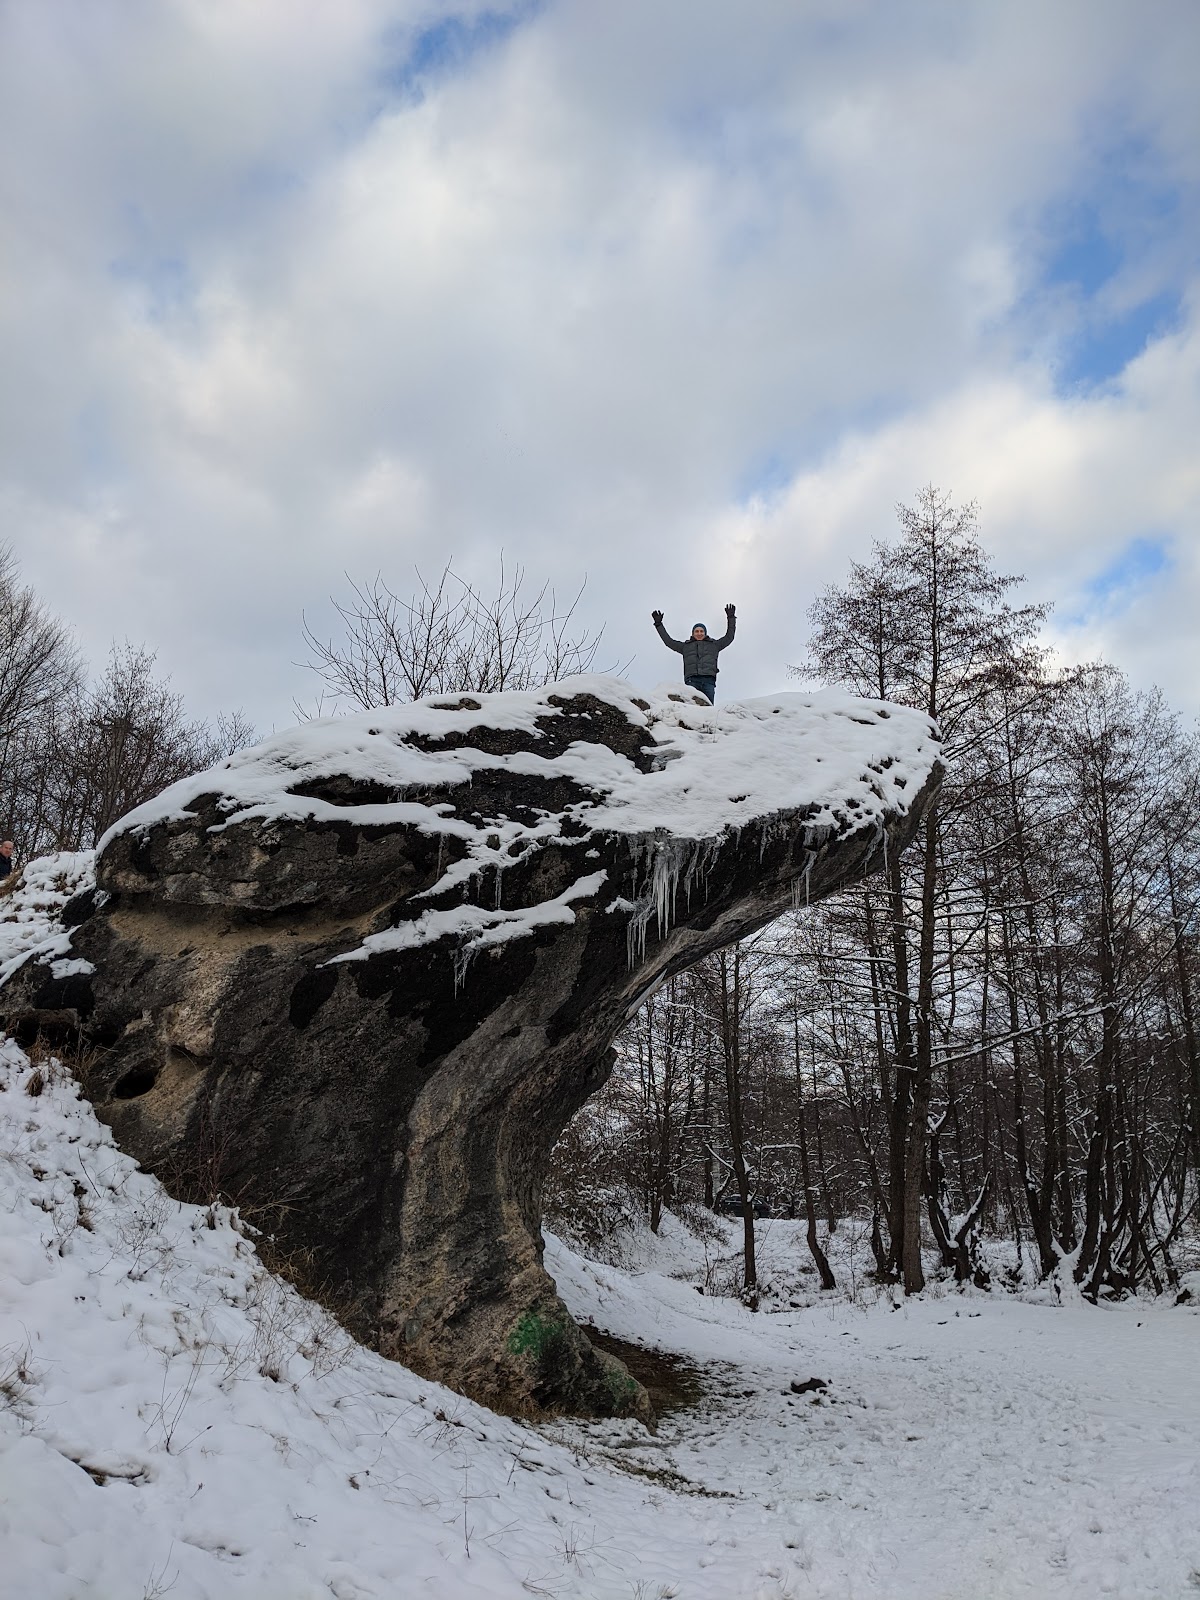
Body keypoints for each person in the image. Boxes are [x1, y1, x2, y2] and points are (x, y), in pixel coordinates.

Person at [651, 605, 735, 704]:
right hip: (692, 680)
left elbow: (729, 637)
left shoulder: (714, 645)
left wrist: (731, 618)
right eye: (697, 631)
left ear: (705, 633)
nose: (699, 633)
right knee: (691, 708)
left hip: (708, 680)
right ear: (693, 633)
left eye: (701, 631)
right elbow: (668, 642)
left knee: (709, 708)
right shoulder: (685, 647)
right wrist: (658, 624)